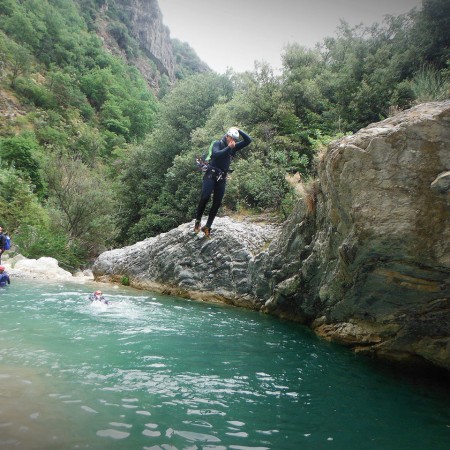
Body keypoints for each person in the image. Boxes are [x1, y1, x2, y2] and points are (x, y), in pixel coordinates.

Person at [194, 127, 252, 237]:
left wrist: (239, 130)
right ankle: (197, 221)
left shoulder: (234, 147)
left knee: (217, 202)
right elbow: (216, 154)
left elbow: (248, 140)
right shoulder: (217, 143)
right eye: (231, 138)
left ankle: (208, 227)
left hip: (222, 177)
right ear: (227, 136)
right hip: (210, 174)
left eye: (235, 139)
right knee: (205, 197)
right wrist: (228, 148)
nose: (233, 141)